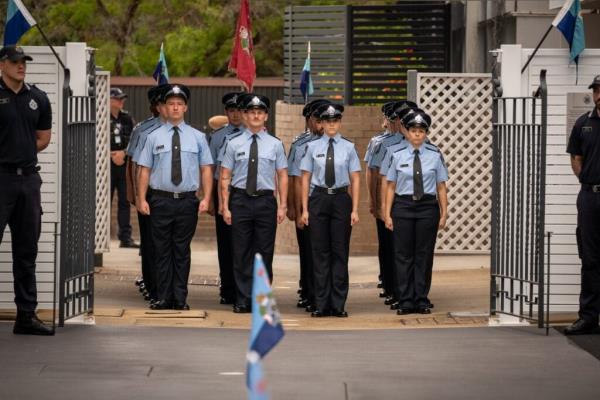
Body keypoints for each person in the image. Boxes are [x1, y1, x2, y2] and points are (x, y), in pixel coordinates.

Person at [137, 84, 213, 310]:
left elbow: (207, 168)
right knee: (161, 250)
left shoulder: (198, 137)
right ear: (164, 107)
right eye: (171, 104)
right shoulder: (152, 137)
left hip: (187, 200)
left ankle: (180, 298)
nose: (176, 108)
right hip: (160, 199)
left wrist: (207, 198)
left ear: (186, 107)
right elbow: (144, 170)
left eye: (179, 104)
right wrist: (142, 199)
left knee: (181, 250)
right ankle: (163, 297)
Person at [0, 45, 53, 335]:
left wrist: (21, 149)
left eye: (24, 62)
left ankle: (25, 317)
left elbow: (43, 138)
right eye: (15, 61)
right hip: (1, 178)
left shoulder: (38, 98)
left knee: (26, 250)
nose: (21, 66)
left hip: (29, 181)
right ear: (2, 65)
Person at [220, 94, 288, 313]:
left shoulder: (275, 144)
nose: (256, 115)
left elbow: (282, 175)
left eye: (260, 112)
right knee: (240, 253)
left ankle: (262, 301)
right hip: (240, 200)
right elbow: (224, 176)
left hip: (266, 201)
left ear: (266, 116)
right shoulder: (233, 143)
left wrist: (283, 204)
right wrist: (225, 205)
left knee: (264, 253)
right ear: (245, 115)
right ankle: (243, 299)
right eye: (251, 112)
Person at [384, 110, 448, 315]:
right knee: (403, 255)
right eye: (413, 131)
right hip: (403, 207)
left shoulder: (435, 155)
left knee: (423, 255)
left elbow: (441, 187)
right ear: (407, 132)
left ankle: (421, 298)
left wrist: (444, 213)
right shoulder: (396, 154)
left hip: (427, 208)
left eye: (421, 131)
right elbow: (390, 186)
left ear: (426, 133)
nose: (417, 135)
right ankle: (405, 300)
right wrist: (387, 213)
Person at [300, 103, 361, 317]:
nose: (331, 125)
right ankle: (321, 303)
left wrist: (354, 209)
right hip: (318, 198)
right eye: (327, 121)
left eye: (335, 121)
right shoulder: (312, 147)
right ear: (322, 124)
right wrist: (305, 209)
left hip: (341, 199)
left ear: (339, 123)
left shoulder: (349, 147)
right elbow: (305, 178)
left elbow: (355, 178)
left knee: (339, 252)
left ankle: (338, 304)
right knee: (319, 253)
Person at [368, 100, 416, 309]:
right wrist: (376, 203)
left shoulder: (419, 142)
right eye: (396, 118)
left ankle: (412, 290)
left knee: (412, 250)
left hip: (412, 202)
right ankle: (393, 287)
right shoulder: (383, 144)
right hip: (392, 202)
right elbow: (376, 175)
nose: (399, 122)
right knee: (391, 248)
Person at [564, 75, 600, 335]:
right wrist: (586, 180)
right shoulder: (583, 123)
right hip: (589, 197)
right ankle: (588, 318)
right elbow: (576, 158)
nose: (599, 95)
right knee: (589, 259)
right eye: (597, 90)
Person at [126, 85, 167, 304]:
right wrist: (133, 193)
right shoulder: (143, 130)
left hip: (170, 192)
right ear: (153, 106)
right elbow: (132, 162)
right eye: (159, 103)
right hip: (149, 192)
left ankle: (166, 286)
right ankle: (152, 285)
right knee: (150, 243)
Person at [287, 98, 329, 312]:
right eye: (316, 119)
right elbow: (294, 178)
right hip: (308, 204)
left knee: (326, 251)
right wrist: (293, 207)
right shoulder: (300, 145)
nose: (320, 124)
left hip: (328, 203)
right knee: (308, 251)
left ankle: (323, 293)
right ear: (309, 121)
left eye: (324, 120)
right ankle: (308, 291)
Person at [209, 92, 244, 305]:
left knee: (245, 244)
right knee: (226, 243)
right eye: (232, 110)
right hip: (224, 194)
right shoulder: (218, 136)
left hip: (245, 193)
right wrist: (213, 201)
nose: (236, 114)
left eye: (240, 110)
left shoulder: (255, 135)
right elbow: (212, 169)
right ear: (226, 113)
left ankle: (243, 288)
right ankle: (228, 287)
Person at [364, 102, 395, 298]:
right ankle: (388, 278)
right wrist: (374, 200)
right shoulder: (379, 142)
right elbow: (372, 172)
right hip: (385, 198)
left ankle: (396, 281)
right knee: (386, 242)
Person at [110, 87, 139, 248]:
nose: (121, 101)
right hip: (105, 166)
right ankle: (95, 237)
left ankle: (125, 238)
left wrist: (123, 153)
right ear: (108, 100)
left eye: (122, 99)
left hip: (123, 164)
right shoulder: (101, 117)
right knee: (102, 201)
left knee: (125, 201)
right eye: (117, 98)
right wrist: (111, 155)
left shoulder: (127, 118)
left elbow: (134, 140)